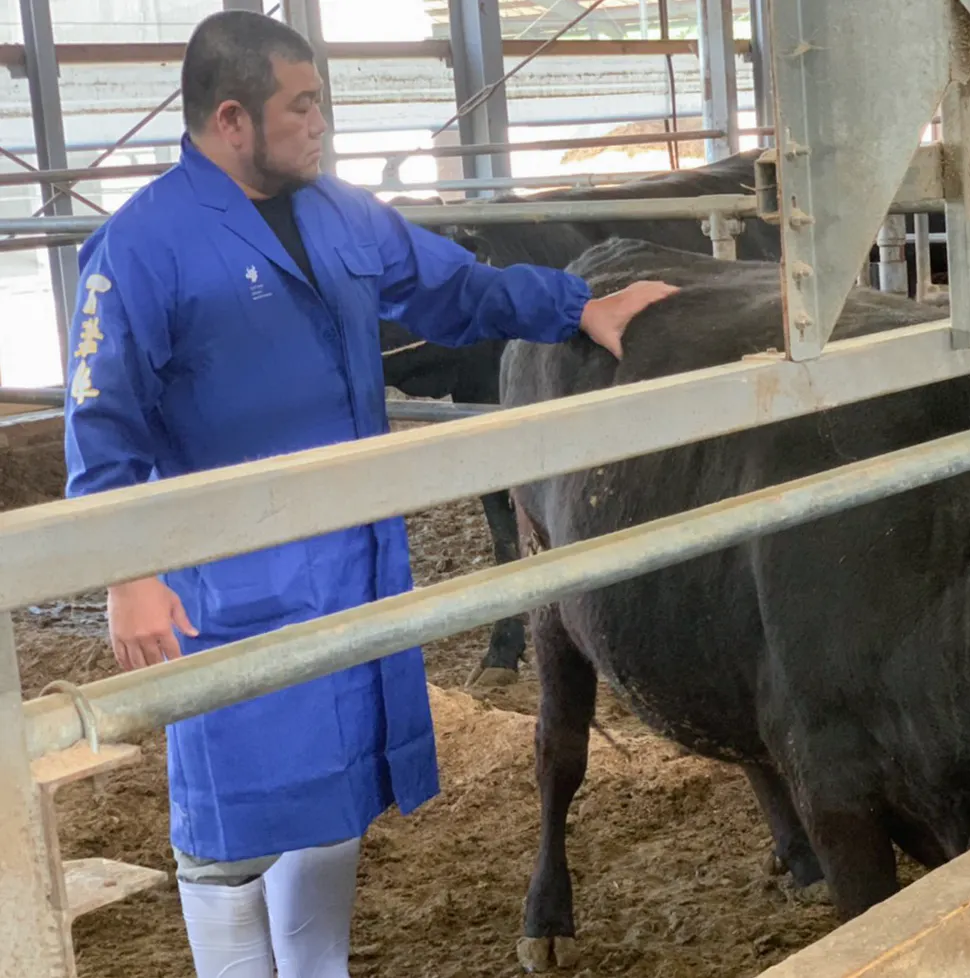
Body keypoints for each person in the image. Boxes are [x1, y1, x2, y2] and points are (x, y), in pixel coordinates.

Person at [60, 10, 678, 978]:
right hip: (232, 588)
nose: (321, 124)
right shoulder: (142, 246)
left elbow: (456, 289)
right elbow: (102, 421)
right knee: (231, 831)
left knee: (335, 807)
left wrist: (576, 306)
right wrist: (127, 570)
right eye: (302, 106)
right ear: (231, 120)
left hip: (354, 567)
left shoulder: (338, 213)